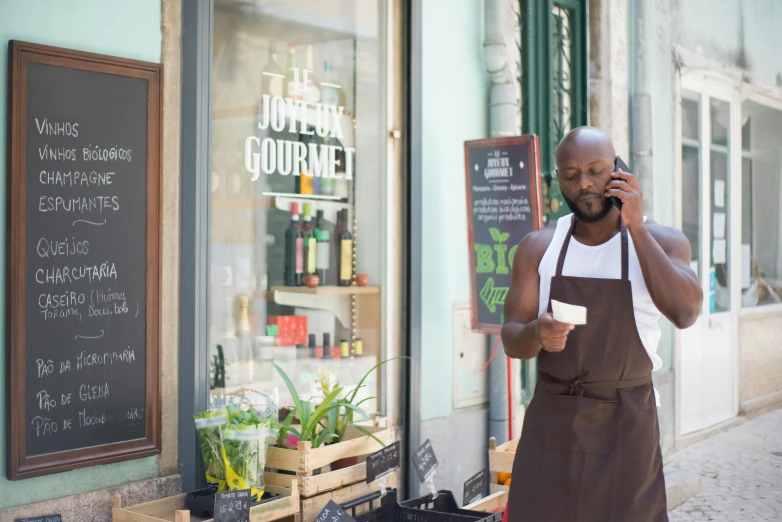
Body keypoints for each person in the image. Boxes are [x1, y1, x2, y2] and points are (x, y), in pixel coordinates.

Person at [500, 126, 703, 522]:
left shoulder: (662, 242)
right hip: (552, 422)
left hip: (626, 424)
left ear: (618, 170)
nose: (584, 184)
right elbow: (511, 338)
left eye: (595, 170)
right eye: (571, 175)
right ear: (558, 179)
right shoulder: (538, 248)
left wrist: (637, 228)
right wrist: (535, 334)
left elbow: (686, 313)